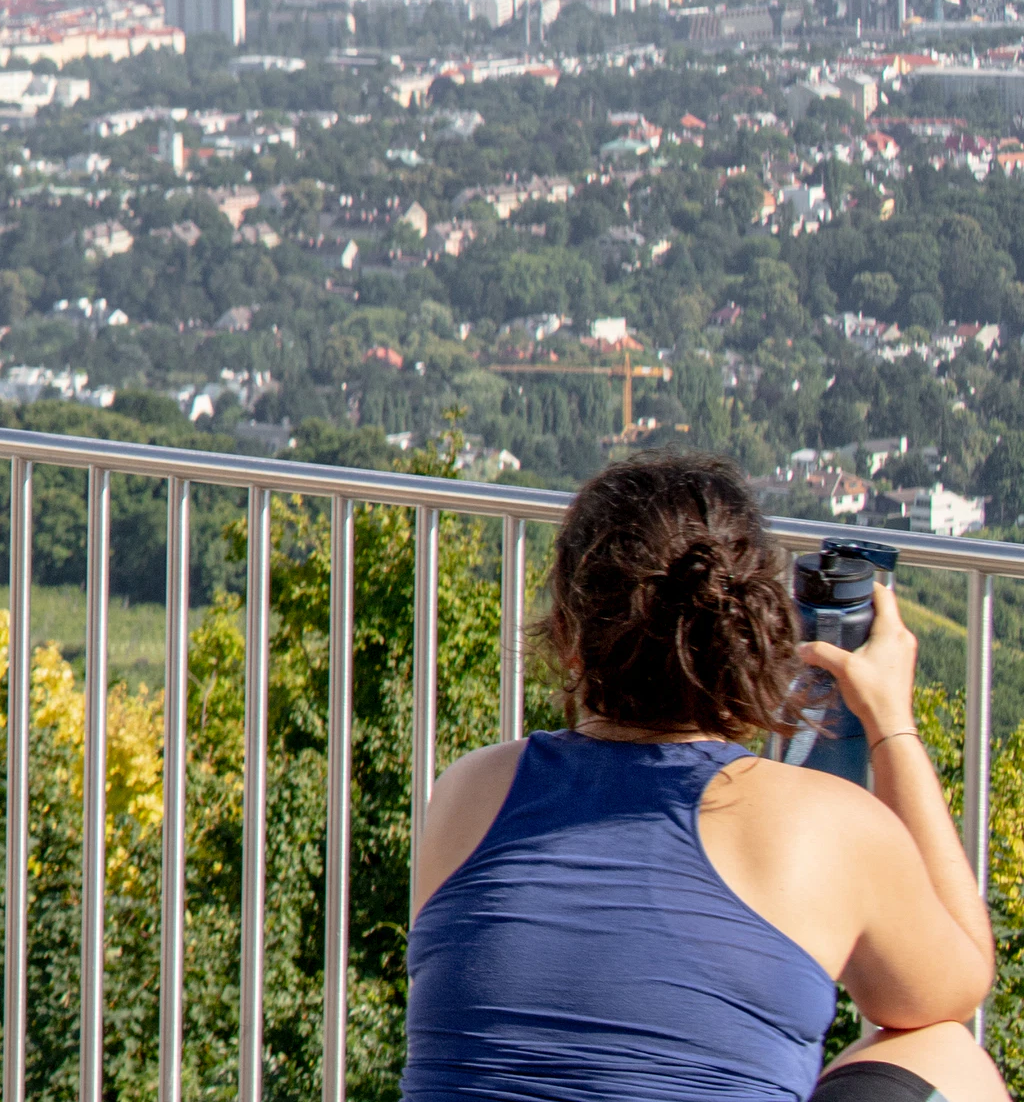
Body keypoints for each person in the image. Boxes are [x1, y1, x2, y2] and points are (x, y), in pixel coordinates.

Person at [405, 454, 1007, 1102]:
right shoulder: (823, 823)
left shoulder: (471, 790)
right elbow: (955, 985)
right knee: (945, 1047)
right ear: (757, 631)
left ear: (569, 635)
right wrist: (890, 720)